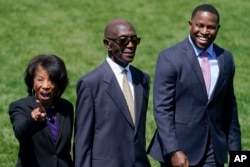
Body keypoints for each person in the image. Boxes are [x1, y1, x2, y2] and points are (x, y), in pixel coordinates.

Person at [147, 4, 241, 167]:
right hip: (179, 149)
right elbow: (162, 109)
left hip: (214, 149)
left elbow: (229, 108)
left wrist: (239, 156)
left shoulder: (226, 59)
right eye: (200, 25)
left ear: (218, 28)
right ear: (191, 24)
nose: (204, 32)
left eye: (211, 27)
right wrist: (173, 151)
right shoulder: (170, 57)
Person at [74, 19, 151, 167]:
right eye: (123, 41)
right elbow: (82, 140)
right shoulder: (90, 83)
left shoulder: (142, 79)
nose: (131, 45)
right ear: (108, 44)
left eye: (135, 40)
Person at [9, 54, 74, 167]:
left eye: (52, 81)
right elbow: (19, 132)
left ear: (59, 84)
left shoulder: (66, 108)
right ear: (32, 82)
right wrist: (32, 119)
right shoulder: (20, 106)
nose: (46, 86)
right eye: (40, 80)